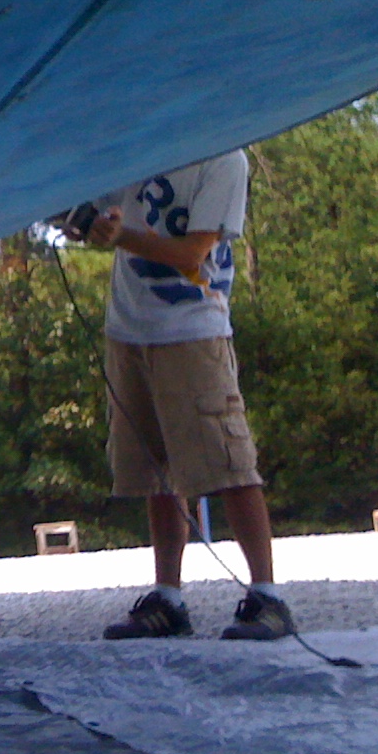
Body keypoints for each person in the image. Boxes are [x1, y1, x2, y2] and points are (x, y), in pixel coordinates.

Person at [78, 150, 294, 640]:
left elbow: (191, 254)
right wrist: (81, 221)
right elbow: (97, 204)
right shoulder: (140, 146)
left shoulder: (225, 159)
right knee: (156, 471)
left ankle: (268, 596)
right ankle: (168, 599)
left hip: (193, 329)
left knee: (230, 464)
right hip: (128, 330)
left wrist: (118, 236)